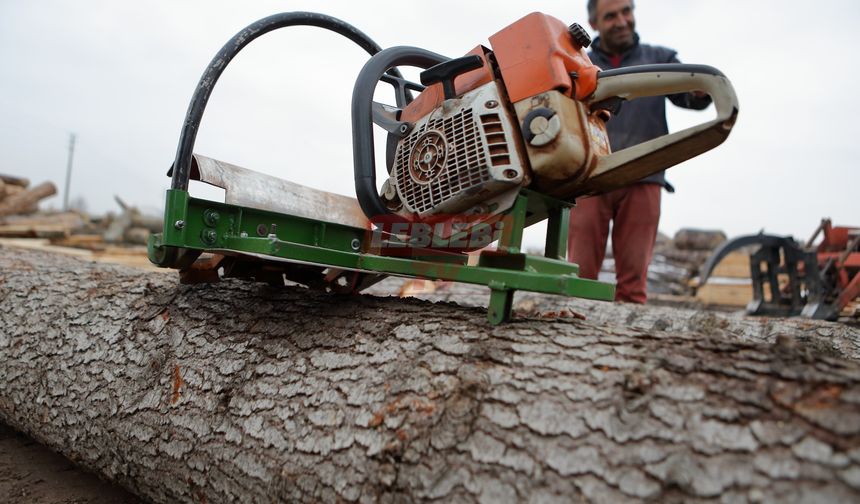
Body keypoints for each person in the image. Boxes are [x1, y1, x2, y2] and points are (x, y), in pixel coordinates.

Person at [568, 0, 712, 303]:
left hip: (644, 176)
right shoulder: (579, 63)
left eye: (626, 12)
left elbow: (688, 94)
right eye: (611, 16)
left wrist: (698, 91)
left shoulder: (660, 59)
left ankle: (627, 344)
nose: (621, 21)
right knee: (579, 275)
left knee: (633, 285)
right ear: (594, 23)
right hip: (591, 178)